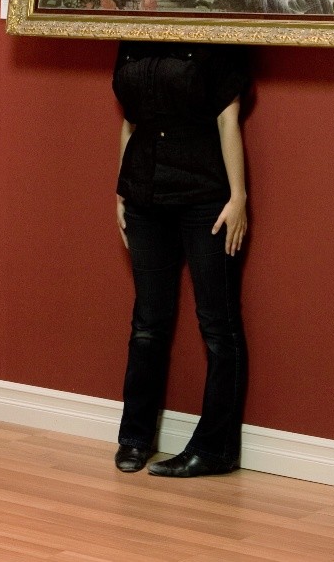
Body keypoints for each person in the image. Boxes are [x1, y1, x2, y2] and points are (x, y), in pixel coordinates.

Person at [111, 39, 250, 477]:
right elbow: (130, 122)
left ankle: (216, 450)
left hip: (205, 197)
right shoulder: (132, 35)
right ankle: (134, 438)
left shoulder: (212, 32)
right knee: (147, 323)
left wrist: (238, 198)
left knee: (218, 325)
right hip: (143, 194)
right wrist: (120, 191)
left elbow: (228, 118)